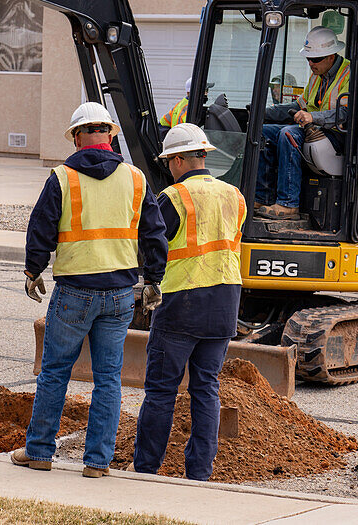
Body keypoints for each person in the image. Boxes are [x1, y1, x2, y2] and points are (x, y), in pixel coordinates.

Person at [12, 101, 167, 477]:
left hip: (75, 293)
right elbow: (154, 232)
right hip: (119, 294)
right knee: (108, 378)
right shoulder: (134, 178)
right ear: (110, 135)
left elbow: (42, 227)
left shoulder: (63, 178)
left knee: (55, 373)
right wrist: (154, 279)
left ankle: (40, 452)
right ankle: (97, 462)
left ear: (78, 137)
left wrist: (34, 270)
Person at [132, 123, 246, 481]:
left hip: (183, 303)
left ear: (179, 159)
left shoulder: (174, 197)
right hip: (226, 302)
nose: (169, 167)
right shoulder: (234, 194)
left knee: (161, 391)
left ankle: (146, 469)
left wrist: (149, 282)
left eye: (169, 161)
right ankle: (199, 473)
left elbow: (153, 246)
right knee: (206, 389)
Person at [256, 27, 350, 219]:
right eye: (308, 58)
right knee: (264, 132)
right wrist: (263, 112)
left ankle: (289, 204)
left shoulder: (349, 75)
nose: (310, 63)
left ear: (331, 56)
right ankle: (262, 197)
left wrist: (313, 118)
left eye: (315, 59)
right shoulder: (317, 75)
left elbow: (346, 113)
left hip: (338, 135)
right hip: (313, 129)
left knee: (288, 134)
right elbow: (300, 104)